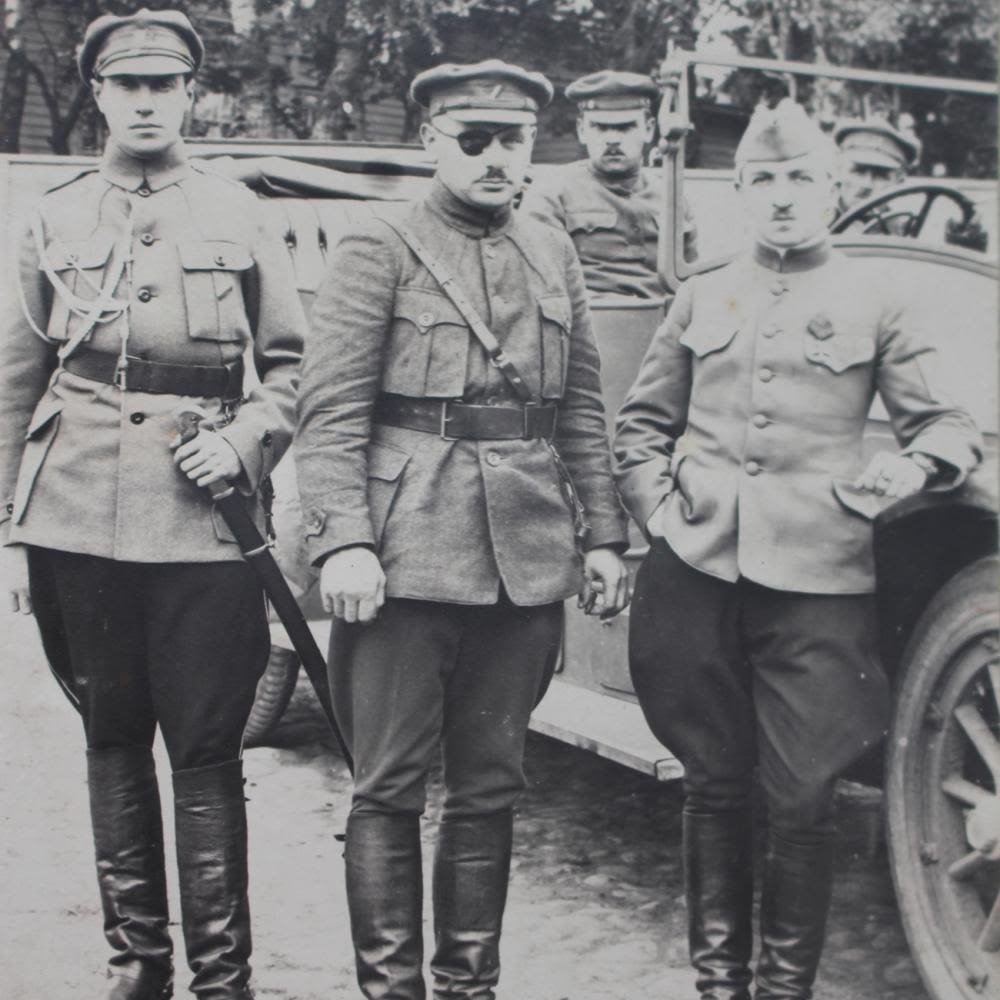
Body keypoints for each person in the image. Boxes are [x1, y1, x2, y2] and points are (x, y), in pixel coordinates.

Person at [613, 99, 981, 1000]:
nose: (783, 196)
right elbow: (640, 426)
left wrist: (916, 465)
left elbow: (948, 424)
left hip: (819, 580)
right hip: (699, 572)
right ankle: (718, 987)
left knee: (804, 796)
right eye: (766, 180)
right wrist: (659, 515)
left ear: (833, 188)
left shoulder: (879, 298)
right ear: (742, 191)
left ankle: (784, 991)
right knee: (713, 783)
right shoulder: (705, 292)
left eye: (802, 179)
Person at [295, 59, 629, 1000]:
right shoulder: (380, 243)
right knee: (388, 784)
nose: (493, 157)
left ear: (531, 147)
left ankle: (469, 987)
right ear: (429, 141)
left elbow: (581, 408)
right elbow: (330, 412)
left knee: (491, 787)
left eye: (510, 140)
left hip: (525, 557)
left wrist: (605, 534)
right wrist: (343, 541)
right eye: (471, 139)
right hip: (403, 556)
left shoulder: (551, 248)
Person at [0, 9, 305, 999]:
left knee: (207, 746)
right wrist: (11, 532)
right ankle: (138, 968)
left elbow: (292, 370)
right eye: (127, 84)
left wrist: (245, 441)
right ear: (97, 93)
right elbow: (15, 379)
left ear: (189, 94)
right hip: (76, 513)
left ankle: (224, 978)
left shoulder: (237, 211)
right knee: (111, 734)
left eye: (163, 84)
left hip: (203, 518)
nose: (145, 102)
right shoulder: (49, 217)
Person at [522, 69, 696, 299]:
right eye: (600, 127)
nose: (612, 139)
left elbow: (693, 282)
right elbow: (541, 282)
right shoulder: (553, 193)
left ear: (649, 129)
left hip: (665, 316)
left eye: (626, 127)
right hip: (590, 316)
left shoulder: (671, 196)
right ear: (582, 130)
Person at [833, 118, 919, 218]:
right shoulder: (818, 220)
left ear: (898, 183)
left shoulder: (905, 226)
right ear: (839, 171)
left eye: (880, 175)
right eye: (858, 171)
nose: (867, 184)